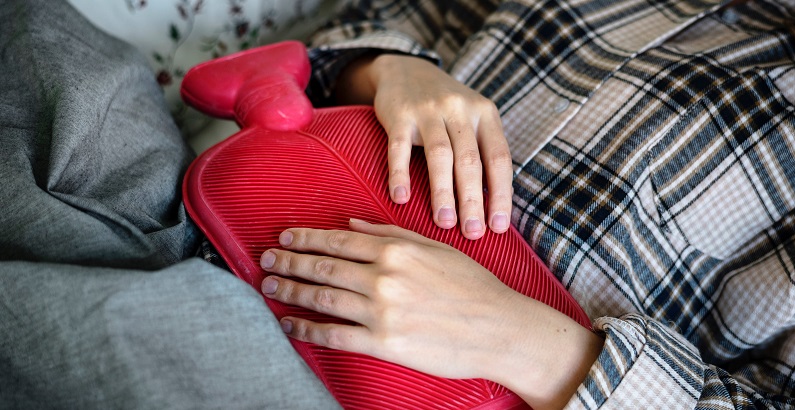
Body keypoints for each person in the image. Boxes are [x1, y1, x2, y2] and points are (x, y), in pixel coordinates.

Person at [1, 0, 793, 409]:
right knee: (40, 43)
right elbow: (421, 13)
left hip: (363, 386)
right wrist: (385, 68)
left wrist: (527, 344)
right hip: (227, 199)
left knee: (150, 327)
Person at [256, 0, 795, 408]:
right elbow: (390, 16)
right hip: (254, 201)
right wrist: (392, 68)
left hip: (377, 388)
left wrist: (514, 339)